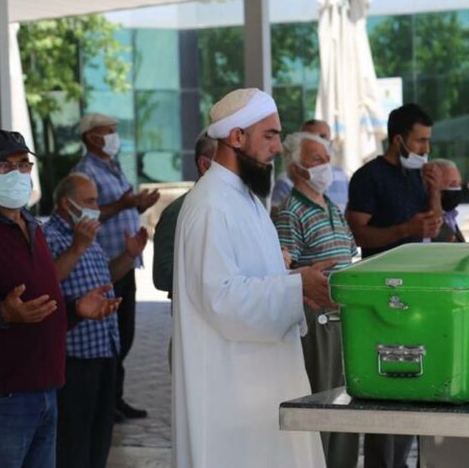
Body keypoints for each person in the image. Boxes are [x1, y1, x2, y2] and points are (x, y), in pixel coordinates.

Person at [0, 129, 121, 468]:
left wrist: (74, 308)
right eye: (4, 166)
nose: (17, 173)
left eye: (23, 164)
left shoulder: (31, 225)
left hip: (43, 388)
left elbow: (36, 302)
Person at [172, 88, 334, 467]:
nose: (278, 147)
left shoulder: (244, 198)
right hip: (231, 394)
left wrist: (295, 279)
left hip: (261, 384)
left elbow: (256, 278)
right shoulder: (210, 205)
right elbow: (222, 300)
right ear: (237, 136)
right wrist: (296, 286)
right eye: (270, 135)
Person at [346, 102, 443, 468]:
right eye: (419, 141)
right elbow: (359, 232)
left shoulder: (418, 175)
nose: (425, 149)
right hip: (382, 294)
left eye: (428, 141)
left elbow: (431, 227)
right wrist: (404, 230)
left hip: (418, 291)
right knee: (387, 381)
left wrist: (434, 191)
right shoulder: (368, 177)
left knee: (416, 380)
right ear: (398, 140)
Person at [44, 172, 148, 468]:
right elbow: (45, 283)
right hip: (74, 355)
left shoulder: (88, 236)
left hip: (103, 350)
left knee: (99, 437)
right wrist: (76, 248)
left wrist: (128, 257)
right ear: (67, 204)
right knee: (72, 440)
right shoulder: (49, 236)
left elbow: (104, 277)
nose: (96, 208)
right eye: (89, 201)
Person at [274, 131, 359, 468]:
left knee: (349, 401)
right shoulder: (290, 211)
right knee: (324, 399)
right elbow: (284, 268)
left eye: (327, 159)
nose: (326, 166)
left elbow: (349, 252)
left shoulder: (332, 208)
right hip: (317, 318)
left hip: (345, 315)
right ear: (296, 169)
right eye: (316, 160)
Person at [73, 113, 159, 422]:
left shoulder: (112, 166)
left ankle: (115, 397)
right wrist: (124, 204)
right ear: (91, 138)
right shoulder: (84, 172)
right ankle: (105, 402)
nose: (114, 137)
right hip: (105, 264)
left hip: (126, 260)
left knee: (124, 334)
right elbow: (86, 215)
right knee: (109, 335)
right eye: (108, 132)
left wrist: (138, 204)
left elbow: (122, 203)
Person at [152, 131, 215, 296]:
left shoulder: (239, 205)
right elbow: (162, 276)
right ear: (204, 165)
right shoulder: (177, 212)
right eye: (227, 163)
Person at [271, 119, 350, 214]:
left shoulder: (342, 175)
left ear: (331, 142)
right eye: (310, 137)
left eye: (322, 137)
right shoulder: (285, 181)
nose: (318, 142)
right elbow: (276, 216)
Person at [432, 158, 466, 243]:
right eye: (452, 184)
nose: (458, 189)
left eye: (459, 184)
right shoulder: (425, 221)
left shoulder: (450, 215)